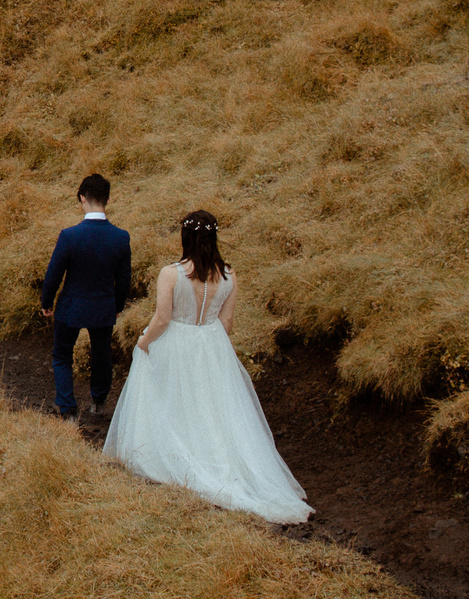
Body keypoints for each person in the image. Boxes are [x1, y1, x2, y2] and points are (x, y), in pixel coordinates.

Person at [101, 209, 311, 524]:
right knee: (214, 407)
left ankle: (177, 456)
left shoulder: (170, 273)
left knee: (176, 401)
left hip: (177, 343)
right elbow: (226, 323)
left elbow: (162, 319)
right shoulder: (229, 275)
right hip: (212, 346)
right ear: (213, 238)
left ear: (185, 238)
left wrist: (143, 344)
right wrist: (208, 345)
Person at [39, 172, 133, 421]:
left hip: (71, 305)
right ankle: (98, 402)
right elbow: (124, 280)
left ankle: (68, 409)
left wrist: (46, 302)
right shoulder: (121, 238)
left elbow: (54, 274)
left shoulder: (69, 236)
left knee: (62, 355)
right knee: (102, 355)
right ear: (108, 200)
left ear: (82, 197)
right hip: (103, 305)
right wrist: (118, 305)